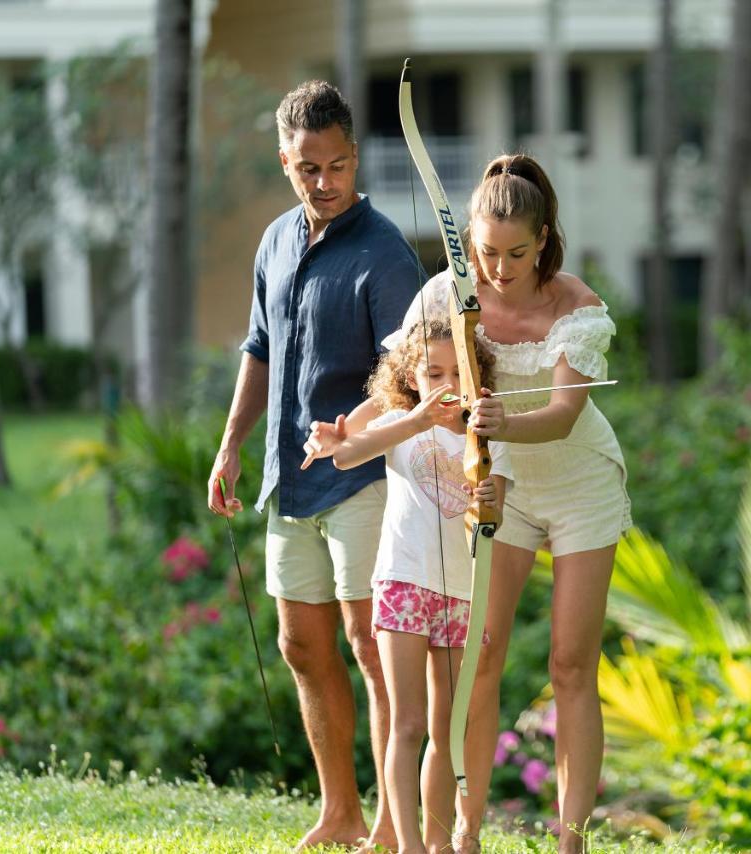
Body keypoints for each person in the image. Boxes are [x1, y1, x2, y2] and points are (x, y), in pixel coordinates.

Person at [306, 152, 630, 854]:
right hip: (499, 488)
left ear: (543, 241)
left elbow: (567, 412)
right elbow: (400, 385)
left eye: (517, 253)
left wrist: (500, 422)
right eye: (485, 253)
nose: (499, 269)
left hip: (579, 487)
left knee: (571, 666)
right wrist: (346, 430)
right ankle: (466, 836)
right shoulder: (447, 292)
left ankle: (572, 842)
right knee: (482, 656)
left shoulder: (577, 306)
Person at [206, 79, 420, 851]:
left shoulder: (386, 251)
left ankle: (395, 821)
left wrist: (353, 431)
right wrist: (231, 447)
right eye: (307, 169)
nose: (323, 183)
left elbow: (409, 374)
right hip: (286, 479)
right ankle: (340, 813)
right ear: (285, 162)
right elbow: (258, 351)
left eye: (335, 166)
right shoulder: (275, 241)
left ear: (354, 157)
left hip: (362, 476)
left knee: (371, 646)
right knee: (301, 646)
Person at [323, 318, 512, 854]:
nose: (447, 383)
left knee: (445, 728)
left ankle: (438, 842)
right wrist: (417, 418)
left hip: (460, 595)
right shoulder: (402, 425)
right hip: (404, 583)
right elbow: (346, 454)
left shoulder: (487, 435)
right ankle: (406, 844)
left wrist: (490, 502)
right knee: (405, 723)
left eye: (459, 372)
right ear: (411, 374)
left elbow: (491, 510)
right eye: (433, 373)